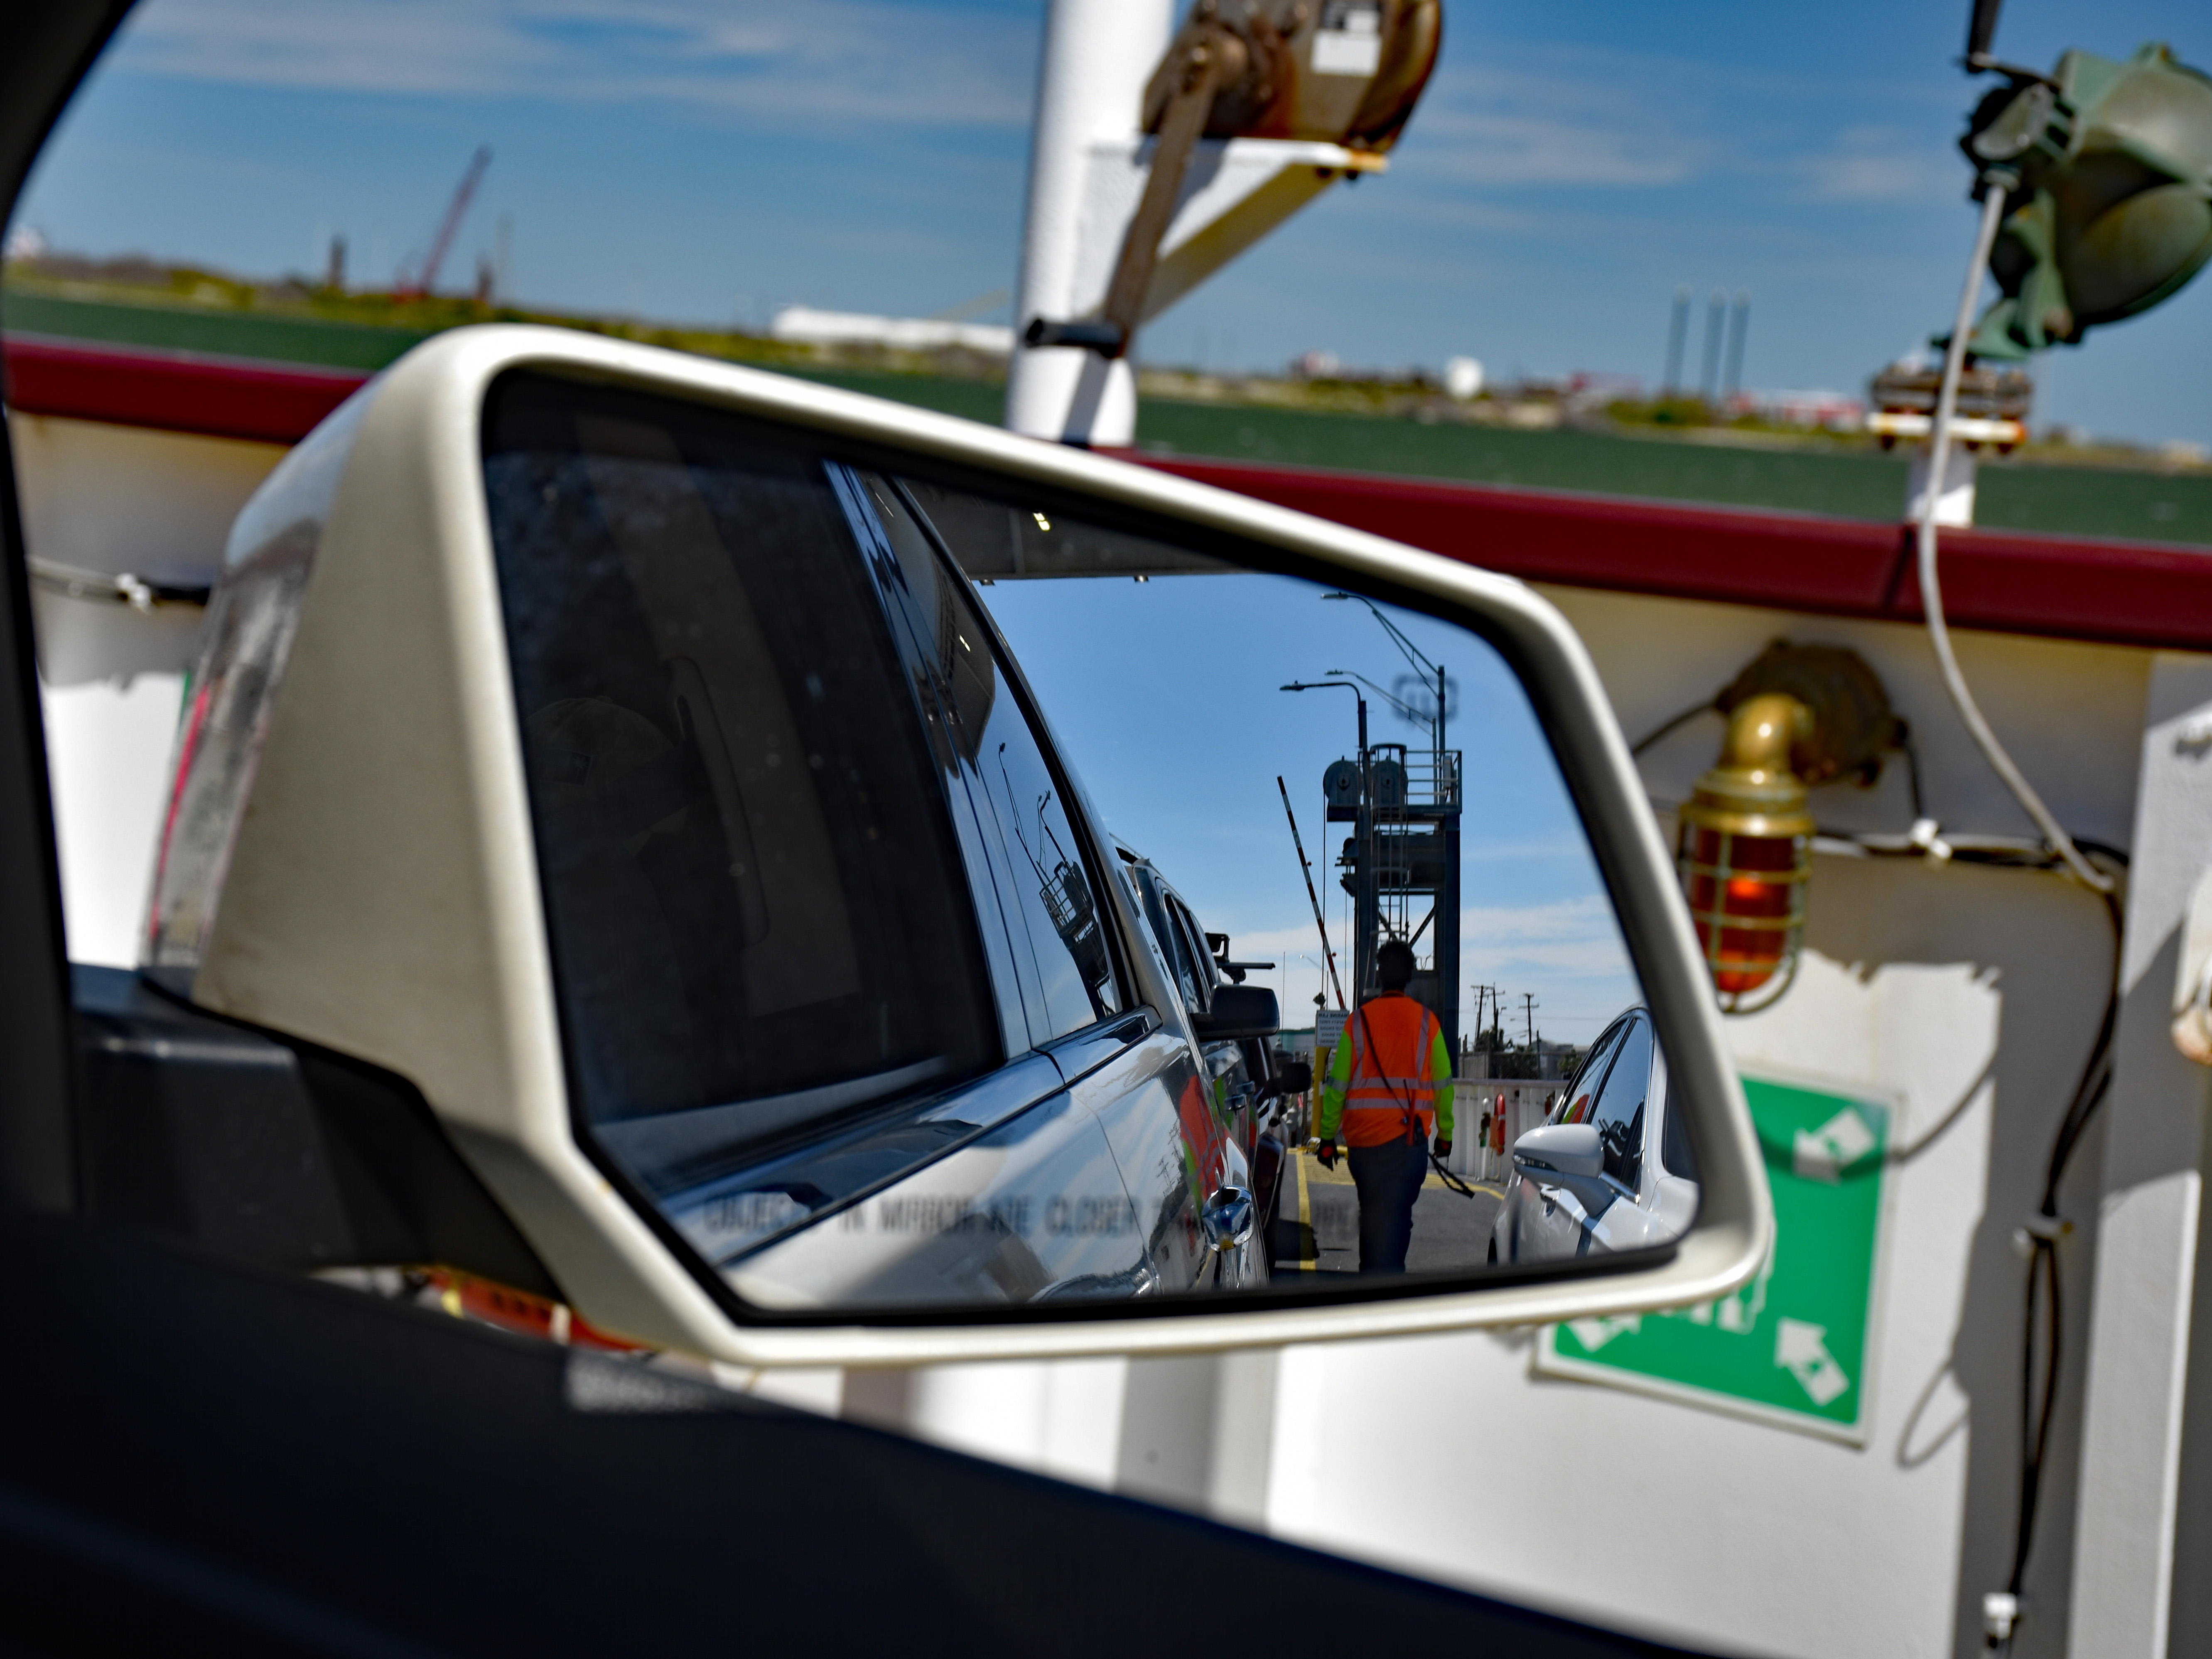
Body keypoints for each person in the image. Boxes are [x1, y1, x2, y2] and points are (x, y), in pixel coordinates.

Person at [1313, 939, 1454, 1273]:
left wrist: (1327, 1138)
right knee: (1398, 1216)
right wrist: (1445, 1135)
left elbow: (1336, 1087)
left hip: (1364, 1148)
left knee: (1372, 1211)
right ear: (1410, 976)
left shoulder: (1357, 1023)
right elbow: (1443, 1086)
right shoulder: (1428, 1023)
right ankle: (1389, 1279)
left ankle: (1372, 1276)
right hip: (1409, 1145)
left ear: (1378, 975)